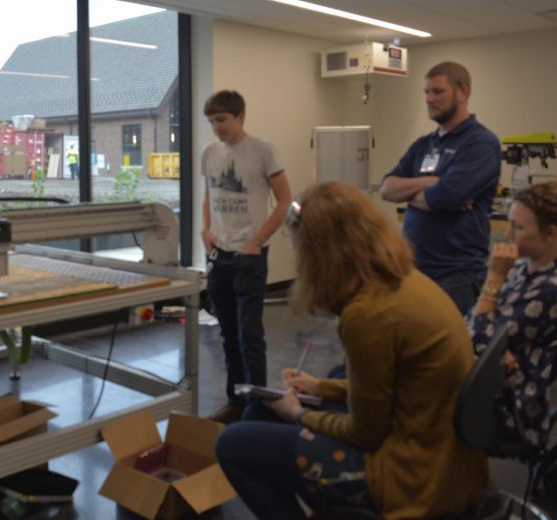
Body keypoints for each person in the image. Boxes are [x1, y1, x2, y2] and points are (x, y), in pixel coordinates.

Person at [215, 181, 489, 519]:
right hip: (442, 456)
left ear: (319, 252)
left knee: (231, 443)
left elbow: (364, 432)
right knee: (259, 411)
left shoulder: (365, 314)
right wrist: (320, 388)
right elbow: (398, 387)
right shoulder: (401, 277)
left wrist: (298, 414)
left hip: (411, 477)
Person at [200, 89, 292, 424]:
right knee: (227, 333)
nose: (217, 127)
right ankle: (235, 400)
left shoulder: (263, 150)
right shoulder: (209, 153)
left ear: (240, 116)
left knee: (249, 334)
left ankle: (257, 405)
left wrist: (258, 240)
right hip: (219, 255)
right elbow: (209, 195)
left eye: (222, 119)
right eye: (211, 121)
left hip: (249, 257)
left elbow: (285, 201)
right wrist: (205, 230)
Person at [380, 61, 501, 315]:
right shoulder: (424, 144)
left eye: (437, 91)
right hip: (413, 270)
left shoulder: (480, 143)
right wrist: (429, 183)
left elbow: (446, 197)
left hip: (456, 276)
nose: (429, 99)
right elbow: (386, 188)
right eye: (426, 92)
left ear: (463, 92)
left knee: (452, 353)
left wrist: (415, 193)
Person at [467, 180, 557, 450]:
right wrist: (494, 345)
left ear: (550, 233)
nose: (507, 234)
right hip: (488, 386)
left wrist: (493, 277)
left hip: (510, 408)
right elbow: (476, 325)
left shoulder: (549, 289)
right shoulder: (520, 269)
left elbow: (476, 337)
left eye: (517, 227)